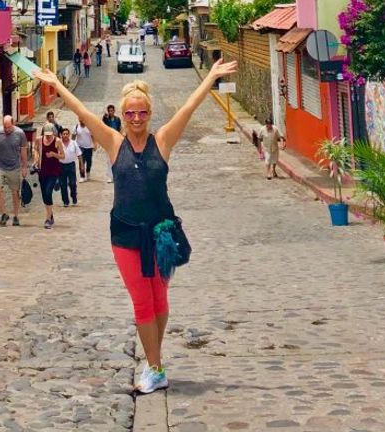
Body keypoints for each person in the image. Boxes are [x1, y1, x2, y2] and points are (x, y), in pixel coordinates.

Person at [33, 55, 238, 394]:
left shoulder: (163, 141)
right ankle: (155, 368)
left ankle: (153, 362)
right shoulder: (114, 143)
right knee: (142, 301)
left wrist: (211, 76)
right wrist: (56, 85)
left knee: (160, 300)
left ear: (150, 113)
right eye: (130, 113)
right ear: (122, 116)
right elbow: (83, 113)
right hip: (126, 235)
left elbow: (188, 107)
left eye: (142, 112)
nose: (136, 118)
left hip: (162, 235)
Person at [0, 114, 28, 227]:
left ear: (13, 124)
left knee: (15, 192)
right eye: (5, 127)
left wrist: (24, 166)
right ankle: (4, 213)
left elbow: (23, 150)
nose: (7, 130)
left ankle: (16, 215)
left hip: (14, 166)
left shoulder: (20, 134)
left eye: (9, 127)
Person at [36, 127, 64, 228]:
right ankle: (50, 214)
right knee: (44, 194)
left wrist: (53, 154)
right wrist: (36, 159)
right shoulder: (39, 139)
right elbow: (35, 150)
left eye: (49, 134)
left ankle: (48, 219)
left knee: (48, 191)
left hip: (54, 171)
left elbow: (63, 156)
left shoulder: (57, 141)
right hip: (42, 170)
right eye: (46, 134)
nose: (48, 137)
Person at [58, 126, 81, 206]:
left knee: (73, 183)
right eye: (64, 134)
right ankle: (65, 201)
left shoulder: (73, 143)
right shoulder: (58, 144)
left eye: (67, 134)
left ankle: (74, 197)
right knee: (63, 185)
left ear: (69, 135)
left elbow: (79, 155)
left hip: (71, 165)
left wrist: (81, 166)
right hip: (61, 166)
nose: (65, 135)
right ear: (61, 135)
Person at [102, 104, 122, 183]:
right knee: (109, 160)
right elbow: (103, 124)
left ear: (114, 111)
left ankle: (116, 175)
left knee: (117, 158)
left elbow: (119, 128)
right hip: (109, 140)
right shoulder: (106, 119)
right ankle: (110, 176)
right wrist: (105, 116)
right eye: (109, 111)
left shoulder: (117, 119)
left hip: (116, 140)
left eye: (112, 111)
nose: (111, 112)